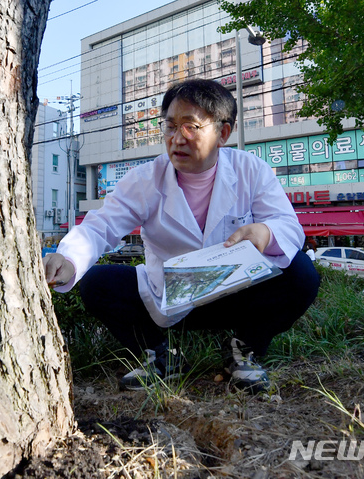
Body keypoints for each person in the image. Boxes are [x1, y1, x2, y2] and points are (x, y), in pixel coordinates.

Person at [43, 79, 320, 393]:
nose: (177, 139)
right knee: (96, 284)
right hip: (172, 295)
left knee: (301, 273)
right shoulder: (145, 180)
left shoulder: (250, 170)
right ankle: (162, 358)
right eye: (170, 126)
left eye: (190, 126)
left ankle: (243, 352)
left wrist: (264, 232)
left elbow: (288, 225)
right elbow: (100, 226)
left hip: (237, 290)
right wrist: (68, 258)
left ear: (223, 133)